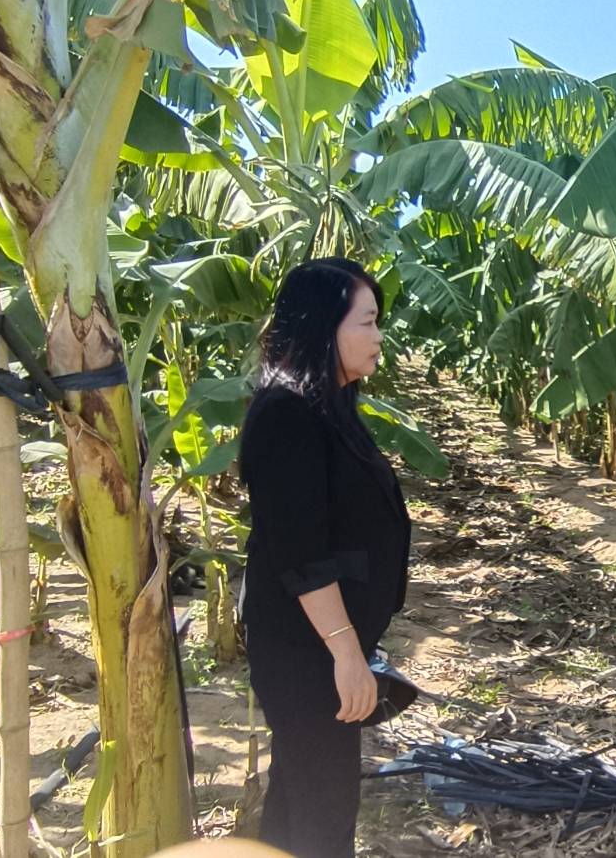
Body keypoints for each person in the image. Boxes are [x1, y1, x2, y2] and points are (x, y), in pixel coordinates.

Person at [238, 258, 412, 858]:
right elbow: (302, 554)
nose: (378, 335)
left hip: (323, 642)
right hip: (304, 649)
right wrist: (344, 653)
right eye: (367, 321)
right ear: (323, 327)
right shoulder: (288, 415)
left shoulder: (328, 406)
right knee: (325, 807)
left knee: (300, 791)